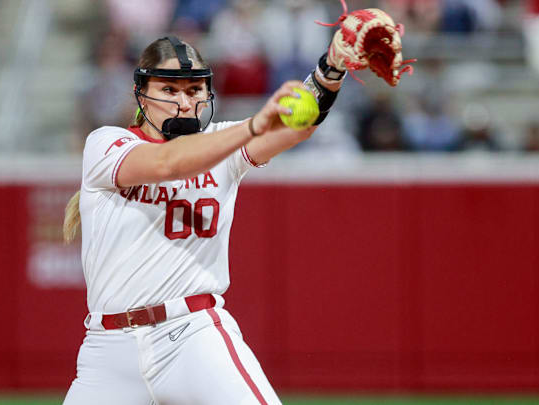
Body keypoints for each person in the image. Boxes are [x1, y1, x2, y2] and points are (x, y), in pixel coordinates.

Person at [61, 34, 346, 404]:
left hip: (191, 336)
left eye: (195, 90)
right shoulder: (106, 143)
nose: (184, 102)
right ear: (140, 93)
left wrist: (330, 71)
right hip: (107, 349)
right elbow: (168, 163)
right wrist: (252, 125)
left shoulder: (221, 140)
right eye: (169, 89)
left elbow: (297, 127)